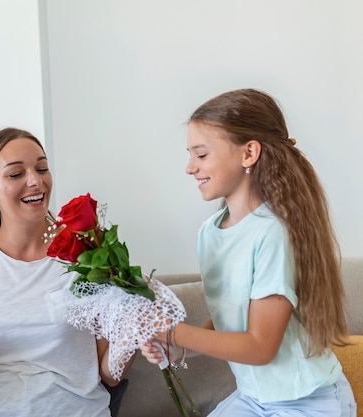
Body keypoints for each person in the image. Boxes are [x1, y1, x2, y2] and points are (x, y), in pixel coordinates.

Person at [140, 88, 357, 416]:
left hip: (308, 402)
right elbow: (232, 314)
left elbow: (260, 346)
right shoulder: (210, 232)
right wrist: (179, 348)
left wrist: (173, 331)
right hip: (254, 399)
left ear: (249, 153)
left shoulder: (273, 232)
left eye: (201, 155)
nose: (189, 167)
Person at [0, 127, 128, 417]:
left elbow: (110, 374)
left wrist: (133, 322)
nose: (36, 181)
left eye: (42, 168)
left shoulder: (88, 250)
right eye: (16, 174)